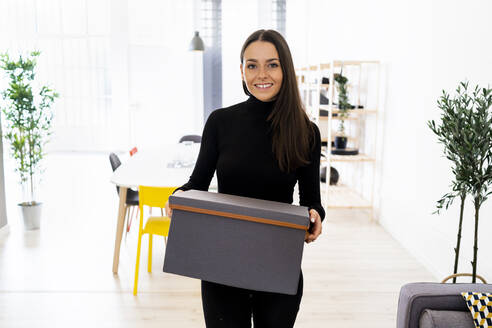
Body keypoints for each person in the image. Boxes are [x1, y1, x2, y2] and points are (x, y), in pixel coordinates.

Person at [165, 29, 324, 328]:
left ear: (285, 69)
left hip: (280, 262)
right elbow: (196, 185)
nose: (261, 74)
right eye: (252, 65)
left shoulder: (306, 132)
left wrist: (316, 216)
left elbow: (312, 201)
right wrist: (179, 198)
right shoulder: (220, 122)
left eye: (272, 64)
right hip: (221, 265)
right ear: (241, 70)